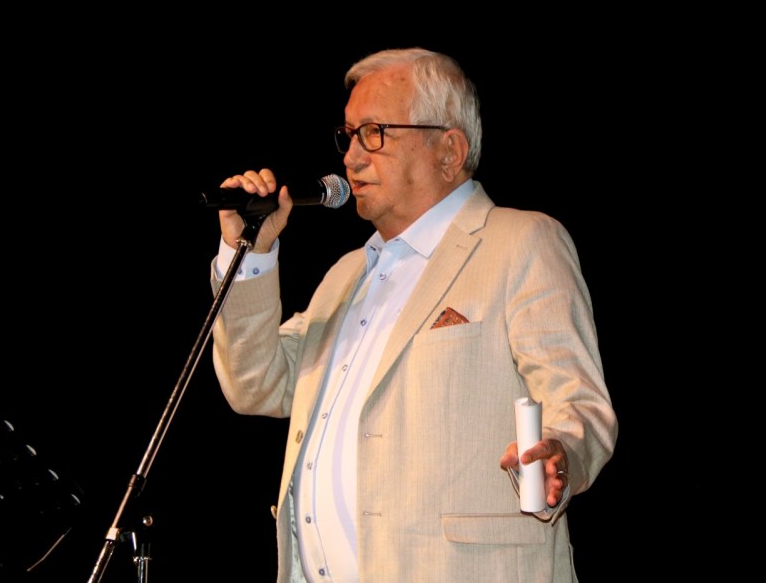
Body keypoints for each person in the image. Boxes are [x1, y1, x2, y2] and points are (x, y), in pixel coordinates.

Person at [209, 47, 617, 582]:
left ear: (449, 150)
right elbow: (255, 384)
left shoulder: (520, 242)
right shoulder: (345, 276)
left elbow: (580, 403)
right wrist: (250, 255)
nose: (352, 158)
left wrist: (559, 452)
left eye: (374, 133)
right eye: (348, 135)